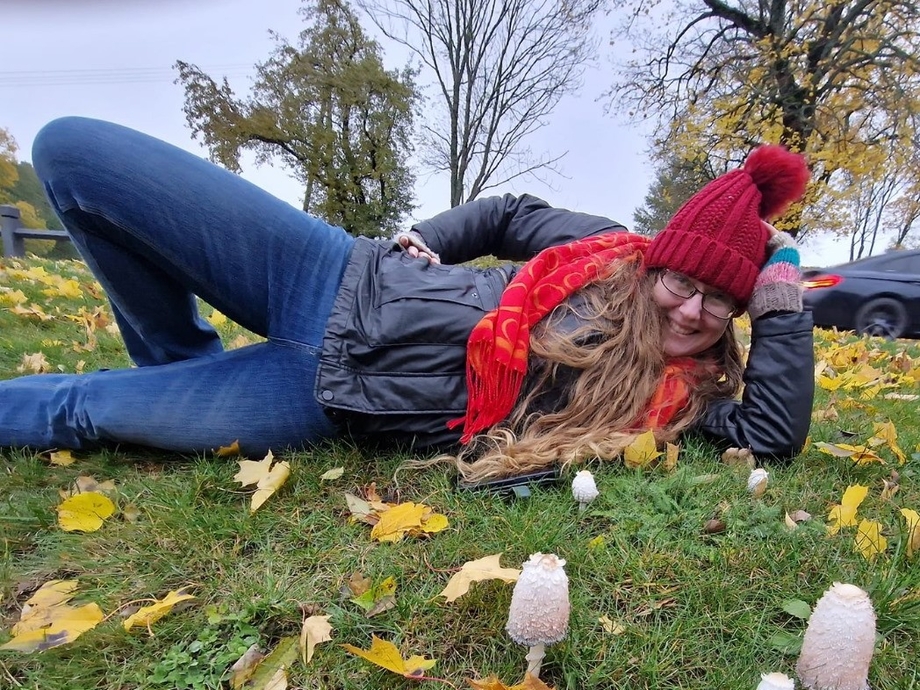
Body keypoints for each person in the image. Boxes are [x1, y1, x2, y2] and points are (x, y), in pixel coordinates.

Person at [0, 117, 814, 482]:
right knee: (73, 155)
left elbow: (773, 436)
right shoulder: (610, 252)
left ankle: (165, 386)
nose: (692, 310)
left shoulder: (684, 400)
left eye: (721, 299)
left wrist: (781, 288)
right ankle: (177, 358)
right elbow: (508, 214)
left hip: (324, 400)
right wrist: (433, 234)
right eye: (683, 280)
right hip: (327, 272)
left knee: (80, 409)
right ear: (657, 264)